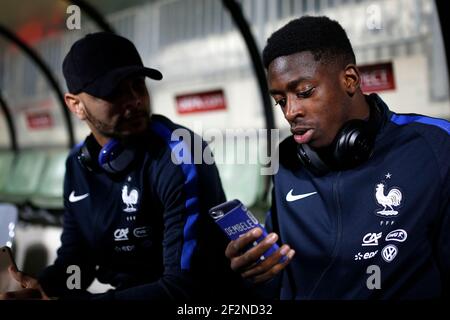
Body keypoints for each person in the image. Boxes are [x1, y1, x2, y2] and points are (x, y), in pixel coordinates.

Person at [1, 32, 246, 300]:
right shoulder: (77, 165)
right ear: (76, 105)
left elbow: (184, 289)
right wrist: (45, 287)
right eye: (114, 91)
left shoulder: (182, 155)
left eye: (138, 84)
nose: (135, 100)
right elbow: (76, 260)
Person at [225, 16, 450, 299]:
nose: (290, 111)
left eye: (304, 92)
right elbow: (282, 275)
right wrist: (256, 273)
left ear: (350, 80)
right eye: (280, 100)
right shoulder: (285, 160)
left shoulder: (435, 145)